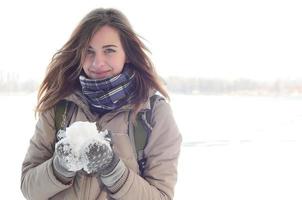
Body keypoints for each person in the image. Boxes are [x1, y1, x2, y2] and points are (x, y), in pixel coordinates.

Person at [20, 7, 182, 200]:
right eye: (89, 51)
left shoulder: (154, 113)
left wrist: (113, 170)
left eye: (109, 51)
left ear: (128, 53)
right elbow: (29, 188)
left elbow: (162, 196)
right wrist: (59, 168)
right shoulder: (59, 106)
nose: (98, 62)